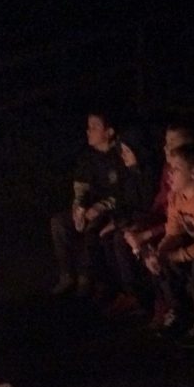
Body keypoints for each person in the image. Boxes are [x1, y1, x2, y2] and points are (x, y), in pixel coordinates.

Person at [102, 123, 194, 319]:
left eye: (173, 142)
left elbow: (176, 218)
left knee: (149, 246)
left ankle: (165, 305)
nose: (166, 147)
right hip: (166, 222)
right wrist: (137, 225)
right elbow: (158, 204)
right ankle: (137, 296)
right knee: (124, 236)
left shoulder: (187, 174)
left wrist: (147, 232)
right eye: (166, 141)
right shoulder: (167, 169)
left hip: (181, 229)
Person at [49, 109, 144, 296]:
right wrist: (78, 207)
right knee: (58, 223)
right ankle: (67, 274)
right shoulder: (88, 157)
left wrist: (100, 207)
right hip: (89, 208)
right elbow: (81, 187)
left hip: (112, 210)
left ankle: (87, 278)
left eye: (94, 127)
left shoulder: (121, 155)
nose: (88, 131)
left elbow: (125, 192)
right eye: (88, 126)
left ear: (109, 132)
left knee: (93, 228)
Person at [142, 142, 194, 340]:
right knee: (165, 265)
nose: (170, 174)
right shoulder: (176, 196)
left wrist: (172, 256)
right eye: (170, 168)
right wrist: (160, 253)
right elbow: (173, 233)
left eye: (176, 169)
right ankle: (180, 313)